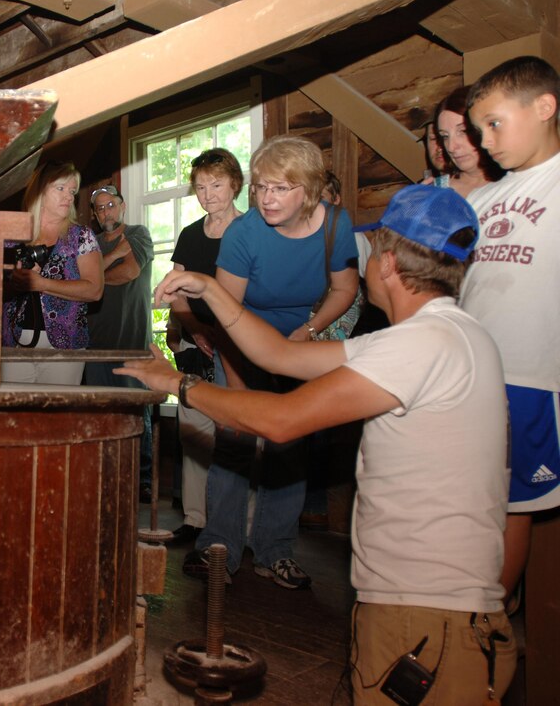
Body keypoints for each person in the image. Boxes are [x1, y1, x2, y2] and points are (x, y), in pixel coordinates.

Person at [118, 184, 515, 705]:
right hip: (430, 610)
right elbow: (282, 356)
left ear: (389, 263)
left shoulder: (422, 345)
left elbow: (282, 420)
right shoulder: (441, 334)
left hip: (425, 614)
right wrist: (211, 289)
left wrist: (177, 384)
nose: (360, 263)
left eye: (368, 252)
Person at [180, 135, 358, 590]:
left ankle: (275, 551)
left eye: (280, 188)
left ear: (309, 189)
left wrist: (310, 331)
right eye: (260, 188)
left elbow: (344, 290)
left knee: (289, 444)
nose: (266, 198)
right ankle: (219, 546)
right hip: (239, 336)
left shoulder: (335, 225)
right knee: (235, 438)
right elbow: (226, 310)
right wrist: (235, 378)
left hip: (300, 338)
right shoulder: (245, 233)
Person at [463, 55, 560, 612]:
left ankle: (488, 623)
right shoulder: (481, 200)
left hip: (531, 375)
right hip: (474, 373)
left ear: (544, 107)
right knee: (470, 500)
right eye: (478, 131)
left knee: (511, 506)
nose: (484, 142)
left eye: (494, 124)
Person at [167, 149, 245, 542]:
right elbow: (176, 290)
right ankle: (196, 518)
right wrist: (195, 329)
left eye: (216, 184)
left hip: (241, 347)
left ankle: (239, 527)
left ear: (234, 183)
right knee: (194, 430)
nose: (208, 194)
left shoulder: (252, 230)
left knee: (238, 433)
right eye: (200, 186)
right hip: (196, 344)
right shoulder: (190, 235)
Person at [1, 161, 103, 385]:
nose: (69, 196)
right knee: (15, 415)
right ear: (39, 190)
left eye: (72, 191)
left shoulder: (81, 236)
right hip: (14, 341)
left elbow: (95, 290)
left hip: (66, 344)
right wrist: (15, 283)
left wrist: (41, 283)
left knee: (58, 417)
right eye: (61, 189)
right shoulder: (12, 235)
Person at [84, 183, 155, 502]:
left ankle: (142, 479)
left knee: (136, 412)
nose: (105, 212)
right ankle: (109, 475)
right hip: (95, 344)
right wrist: (111, 257)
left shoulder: (138, 234)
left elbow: (129, 272)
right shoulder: (90, 243)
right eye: (99, 208)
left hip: (132, 341)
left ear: (122, 206)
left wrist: (93, 280)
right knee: (102, 412)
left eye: (110, 205)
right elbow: (78, 281)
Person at [433, 86, 503, 198]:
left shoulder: (517, 183)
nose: (451, 147)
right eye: (445, 136)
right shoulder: (435, 192)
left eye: (463, 131)